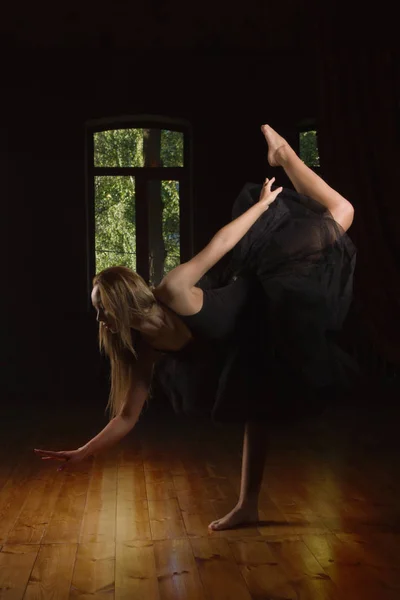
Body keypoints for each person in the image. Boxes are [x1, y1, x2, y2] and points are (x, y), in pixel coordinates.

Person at [34, 124, 356, 531]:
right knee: (256, 410)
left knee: (343, 213)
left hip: (267, 292)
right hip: (248, 342)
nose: (99, 319)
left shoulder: (172, 291)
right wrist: (83, 451)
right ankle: (247, 506)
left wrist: (261, 208)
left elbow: (219, 246)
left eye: (103, 309)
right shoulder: (144, 349)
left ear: (121, 300)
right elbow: (127, 417)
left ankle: (285, 156)